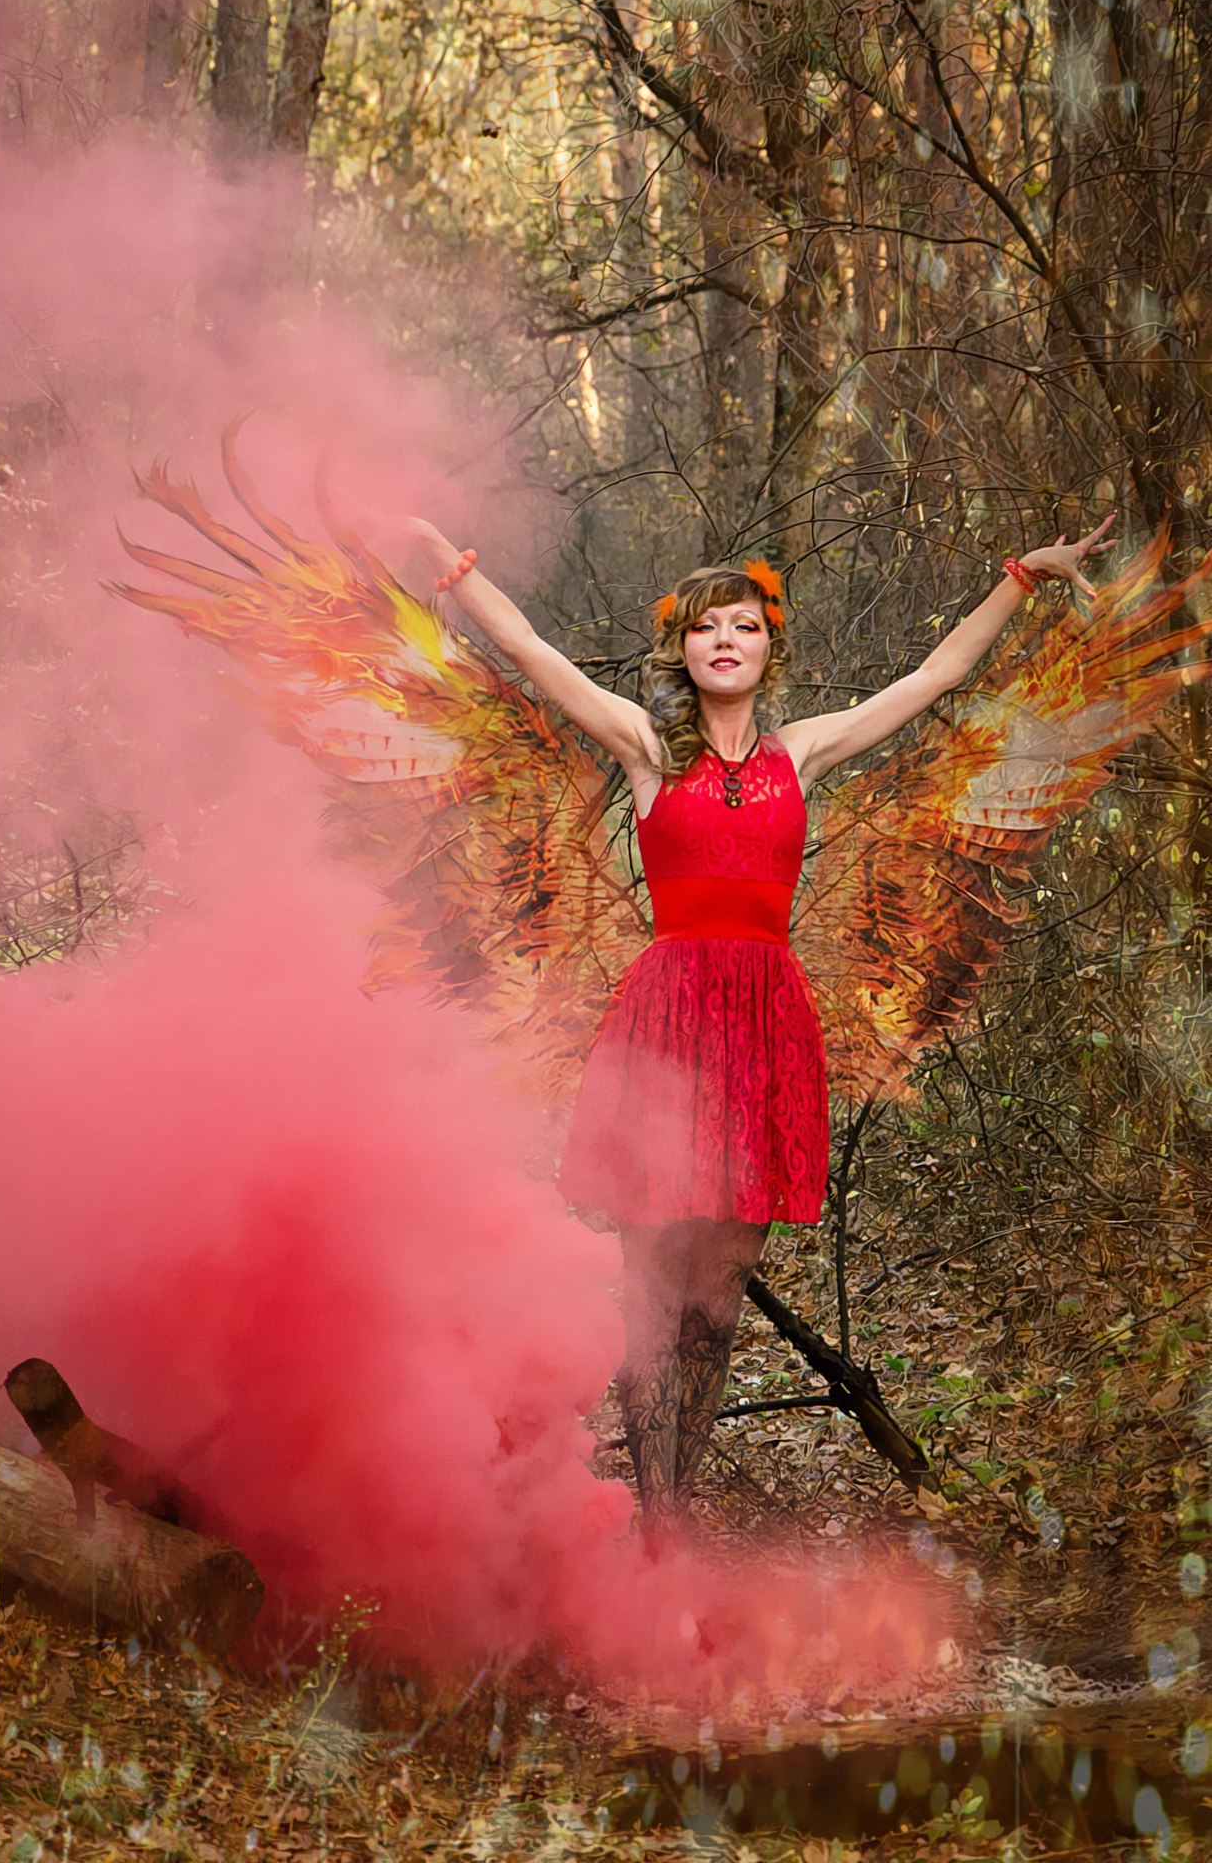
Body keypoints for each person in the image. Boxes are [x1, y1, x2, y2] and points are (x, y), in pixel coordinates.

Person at [408, 515, 1115, 1542]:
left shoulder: (803, 751)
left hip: (764, 1027)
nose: (725, 641)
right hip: (669, 1023)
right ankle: (654, 1525)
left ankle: (676, 1514)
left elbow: (930, 681)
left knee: (718, 1294)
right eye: (706, 628)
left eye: (745, 625)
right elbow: (533, 654)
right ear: (681, 651)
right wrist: (453, 562)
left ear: (770, 647)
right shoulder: (647, 746)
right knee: (653, 1282)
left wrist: (1020, 577)